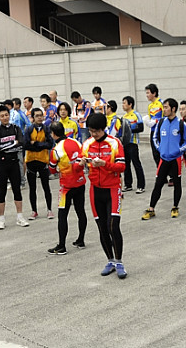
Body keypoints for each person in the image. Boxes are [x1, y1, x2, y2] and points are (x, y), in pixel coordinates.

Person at [81, 113, 127, 278]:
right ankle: (110, 260)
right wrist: (81, 163)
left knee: (113, 226)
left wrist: (105, 164)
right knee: (101, 228)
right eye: (91, 131)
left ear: (104, 129)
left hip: (113, 188)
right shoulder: (86, 144)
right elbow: (82, 162)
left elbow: (122, 167)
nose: (93, 134)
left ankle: (120, 261)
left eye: (96, 131)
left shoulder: (114, 143)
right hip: (95, 189)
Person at [142, 99, 186, 220]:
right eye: (163, 107)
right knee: (158, 184)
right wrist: (160, 149)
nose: (163, 109)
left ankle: (175, 207)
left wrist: (179, 150)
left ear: (173, 109)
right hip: (163, 159)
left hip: (175, 159)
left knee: (177, 184)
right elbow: (155, 138)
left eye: (166, 107)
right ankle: (151, 209)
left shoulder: (181, 124)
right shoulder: (160, 122)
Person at [47, 122, 88, 254]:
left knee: (62, 216)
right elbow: (82, 157)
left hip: (66, 187)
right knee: (80, 211)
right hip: (80, 182)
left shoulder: (56, 150)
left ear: (53, 134)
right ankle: (81, 240)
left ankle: (61, 246)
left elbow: (52, 170)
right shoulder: (76, 142)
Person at [0, 104, 28, 229]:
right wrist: (13, 143)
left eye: (6, 115)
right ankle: (1, 219)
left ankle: (20, 217)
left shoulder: (16, 128)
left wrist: (8, 145)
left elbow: (21, 144)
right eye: (2, 116)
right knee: (1, 192)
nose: (5, 118)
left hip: (14, 162)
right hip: (1, 164)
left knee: (17, 190)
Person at [23, 108, 54, 220]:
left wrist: (36, 144)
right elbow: (26, 144)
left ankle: (49, 210)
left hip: (43, 161)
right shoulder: (29, 129)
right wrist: (40, 146)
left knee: (46, 187)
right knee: (32, 188)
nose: (39, 117)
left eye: (41, 115)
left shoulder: (46, 129)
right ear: (32, 118)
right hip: (31, 161)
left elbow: (50, 144)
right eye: (37, 116)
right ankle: (34, 211)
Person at [120, 96, 145, 193]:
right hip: (125, 143)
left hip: (133, 143)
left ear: (130, 104)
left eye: (124, 103)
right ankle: (128, 184)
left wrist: (129, 130)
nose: (123, 105)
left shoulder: (136, 115)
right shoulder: (124, 117)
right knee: (126, 165)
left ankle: (141, 186)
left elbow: (141, 128)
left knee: (136, 164)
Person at [145, 83, 163, 169]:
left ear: (154, 93)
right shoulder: (150, 106)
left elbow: (165, 117)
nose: (147, 95)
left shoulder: (161, 103)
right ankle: (160, 173)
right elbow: (150, 117)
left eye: (148, 93)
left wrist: (156, 121)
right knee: (155, 153)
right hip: (153, 131)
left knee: (162, 152)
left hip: (161, 131)